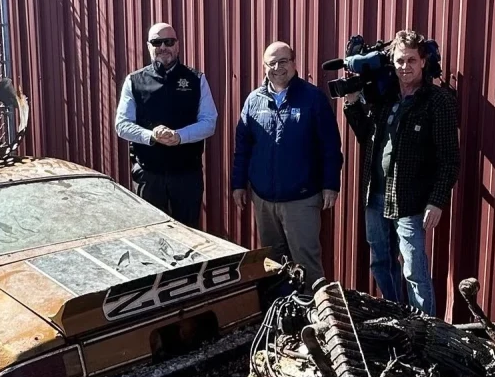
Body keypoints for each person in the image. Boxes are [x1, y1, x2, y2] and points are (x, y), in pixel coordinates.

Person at [342, 29, 459, 316]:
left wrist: (437, 200)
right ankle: (399, 316)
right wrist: (352, 102)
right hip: (376, 196)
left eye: (411, 60)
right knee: (381, 262)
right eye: (399, 60)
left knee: (414, 270)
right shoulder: (386, 98)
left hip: (412, 201)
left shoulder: (437, 101)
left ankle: (426, 331)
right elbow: (367, 138)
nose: (404, 67)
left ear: (423, 62)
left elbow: (449, 158)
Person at [231, 41, 342, 288]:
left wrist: (330, 185)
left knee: (307, 260)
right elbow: (243, 148)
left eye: (283, 61)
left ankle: (317, 312)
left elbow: (330, 146)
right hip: (264, 199)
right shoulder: (253, 101)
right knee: (273, 262)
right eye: (271, 63)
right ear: (264, 67)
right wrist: (238, 184)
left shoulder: (313, 98)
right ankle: (281, 312)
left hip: (301, 198)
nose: (277, 67)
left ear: (294, 63)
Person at [114, 22, 217, 227]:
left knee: (189, 234)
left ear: (178, 45)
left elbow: (209, 122)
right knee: (151, 234)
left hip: (187, 175)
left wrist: (179, 136)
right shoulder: (134, 81)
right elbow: (122, 124)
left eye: (168, 42)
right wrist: (151, 136)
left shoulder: (196, 79)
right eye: (156, 42)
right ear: (148, 46)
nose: (163, 47)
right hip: (149, 174)